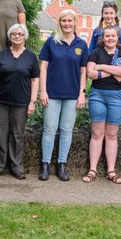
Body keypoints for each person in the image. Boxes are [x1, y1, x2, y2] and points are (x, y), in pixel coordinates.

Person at [38, 9, 88, 182]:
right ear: (59, 23)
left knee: (67, 130)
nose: (67, 24)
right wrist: (43, 91)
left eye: (69, 21)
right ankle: (45, 164)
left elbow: (83, 72)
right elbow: (43, 67)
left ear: (75, 22)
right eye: (63, 21)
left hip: (72, 95)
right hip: (51, 93)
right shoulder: (51, 42)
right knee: (49, 129)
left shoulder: (81, 44)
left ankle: (61, 164)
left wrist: (82, 94)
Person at [0, 24, 39, 180]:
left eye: (20, 34)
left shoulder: (30, 57)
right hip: (1, 101)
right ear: (9, 37)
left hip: (21, 102)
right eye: (14, 34)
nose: (17, 36)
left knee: (17, 135)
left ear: (25, 37)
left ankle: (17, 167)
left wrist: (32, 101)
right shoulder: (1, 55)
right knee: (0, 134)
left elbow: (35, 80)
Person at [84, 25, 121, 184]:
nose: (110, 38)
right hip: (97, 95)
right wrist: (113, 71)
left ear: (117, 38)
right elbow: (90, 74)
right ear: (103, 38)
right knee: (97, 134)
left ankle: (111, 171)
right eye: (107, 36)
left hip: (116, 97)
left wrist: (102, 67)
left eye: (113, 36)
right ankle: (92, 170)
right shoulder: (95, 53)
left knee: (111, 135)